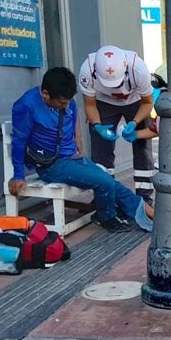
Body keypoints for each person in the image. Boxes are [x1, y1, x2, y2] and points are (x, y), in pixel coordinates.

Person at [9, 67, 154, 233]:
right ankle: (106, 217)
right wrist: (18, 175)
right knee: (105, 182)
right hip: (51, 165)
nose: (66, 106)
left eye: (68, 101)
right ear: (45, 94)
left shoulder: (65, 100)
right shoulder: (26, 105)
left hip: (73, 158)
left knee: (110, 182)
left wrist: (78, 138)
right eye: (62, 103)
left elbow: (73, 113)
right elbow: (19, 141)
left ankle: (148, 213)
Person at [78, 45, 156, 204]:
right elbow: (90, 105)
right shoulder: (87, 70)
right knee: (101, 149)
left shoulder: (138, 69)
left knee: (142, 146)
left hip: (136, 102)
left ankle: (144, 197)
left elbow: (148, 103)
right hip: (103, 102)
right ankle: (104, 195)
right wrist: (97, 125)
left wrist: (134, 122)